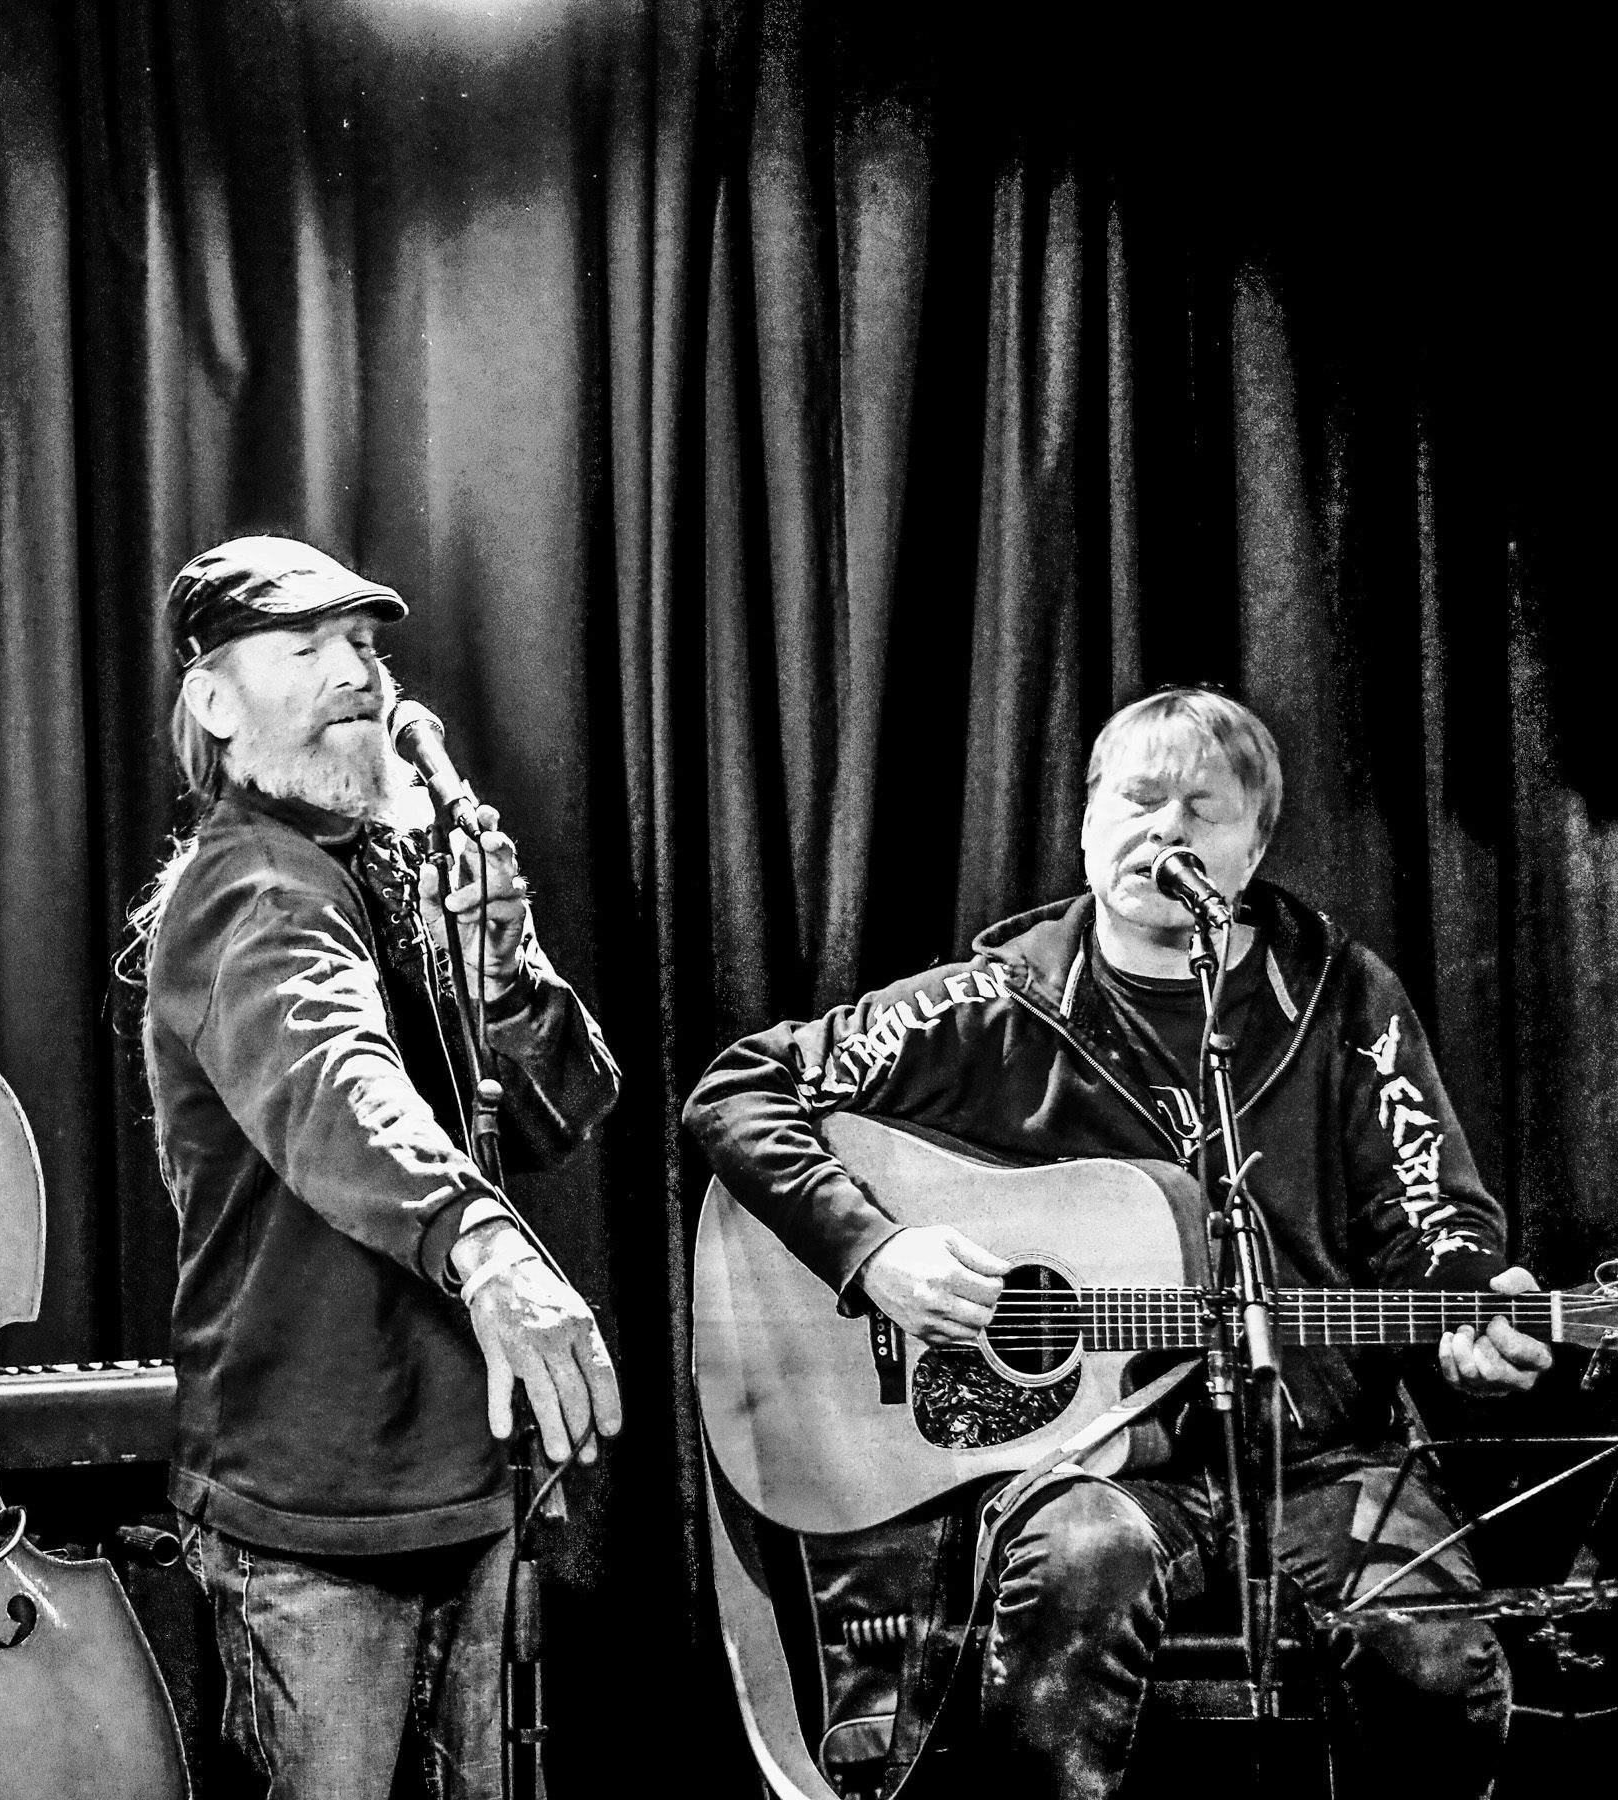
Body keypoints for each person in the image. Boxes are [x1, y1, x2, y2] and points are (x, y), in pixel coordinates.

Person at [685, 687, 1547, 1800]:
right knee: (1079, 1570)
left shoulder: (1339, 997)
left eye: (1204, 809)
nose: (1165, 830)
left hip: (1324, 1457)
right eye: (1139, 800)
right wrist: (877, 1252)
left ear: (1254, 849)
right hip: (1088, 1464)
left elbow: (1428, 1214)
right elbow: (739, 1090)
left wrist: (1467, 1304)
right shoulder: (998, 1003)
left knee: (1434, 1662)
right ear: (1088, 823)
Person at [134, 535, 624, 1798]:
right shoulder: (253, 889)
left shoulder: (386, 872)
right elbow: (333, 1086)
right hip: (316, 1503)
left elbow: (562, 1109)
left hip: (460, 1475)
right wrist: (487, 1247)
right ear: (215, 704)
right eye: (307, 649)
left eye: (362, 645)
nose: (357, 672)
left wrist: (502, 975)